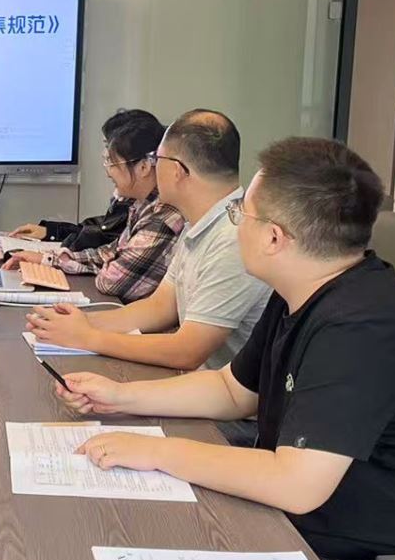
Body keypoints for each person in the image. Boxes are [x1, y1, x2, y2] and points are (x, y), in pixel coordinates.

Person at [53, 138, 395, 560]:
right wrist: (120, 397)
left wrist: (154, 451)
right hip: (318, 537)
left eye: (241, 213)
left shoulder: (362, 329)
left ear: (273, 237)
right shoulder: (305, 292)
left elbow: (295, 483)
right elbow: (233, 390)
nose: (234, 223)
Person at [26, 109, 270, 371]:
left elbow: (187, 351)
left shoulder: (234, 237)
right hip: (193, 381)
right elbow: (160, 307)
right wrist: (80, 323)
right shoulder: (201, 223)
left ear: (177, 170)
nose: (152, 167)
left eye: (157, 159)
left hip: (212, 391)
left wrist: (88, 337)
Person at [6, 109, 182, 303]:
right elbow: (109, 252)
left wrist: (105, 264)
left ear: (144, 167)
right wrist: (48, 260)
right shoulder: (141, 205)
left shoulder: (162, 217)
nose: (107, 171)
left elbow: (111, 281)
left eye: (111, 161)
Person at [8, 109, 153, 251]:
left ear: (144, 166)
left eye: (109, 147)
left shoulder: (152, 213)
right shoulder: (131, 199)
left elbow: (105, 242)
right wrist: (51, 232)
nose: (106, 155)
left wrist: (52, 255)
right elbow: (103, 230)